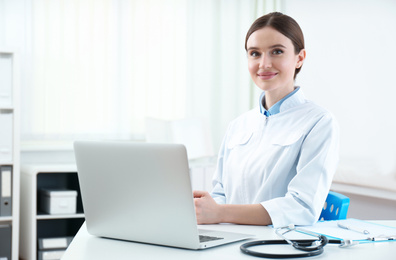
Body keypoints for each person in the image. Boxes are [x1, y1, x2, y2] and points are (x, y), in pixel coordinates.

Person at [193, 12, 339, 228]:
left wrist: (221, 213)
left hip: (275, 244)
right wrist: (205, 210)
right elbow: (220, 192)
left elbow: (302, 208)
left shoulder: (319, 122)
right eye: (255, 53)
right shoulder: (238, 125)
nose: (264, 64)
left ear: (299, 58)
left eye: (277, 52)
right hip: (228, 239)